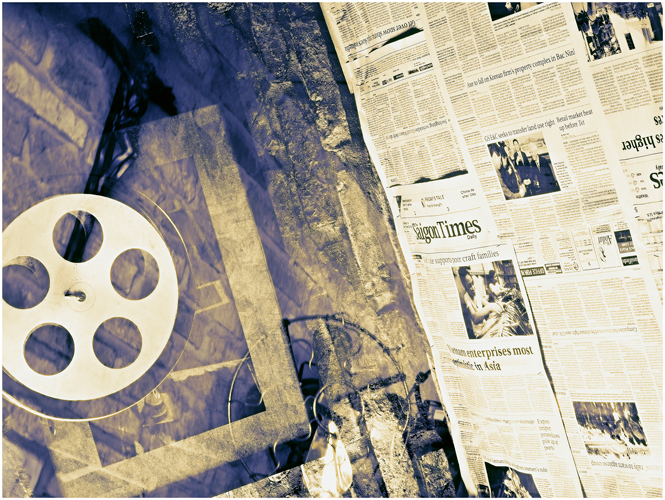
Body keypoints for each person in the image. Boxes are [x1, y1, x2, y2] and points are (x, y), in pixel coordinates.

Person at [459, 267, 503, 339]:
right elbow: (475, 319)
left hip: (485, 326)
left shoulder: (475, 292)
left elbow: (486, 303)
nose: (473, 288)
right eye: (469, 286)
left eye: (473, 283)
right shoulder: (466, 297)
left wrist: (499, 305)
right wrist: (489, 308)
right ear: (464, 287)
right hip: (479, 333)